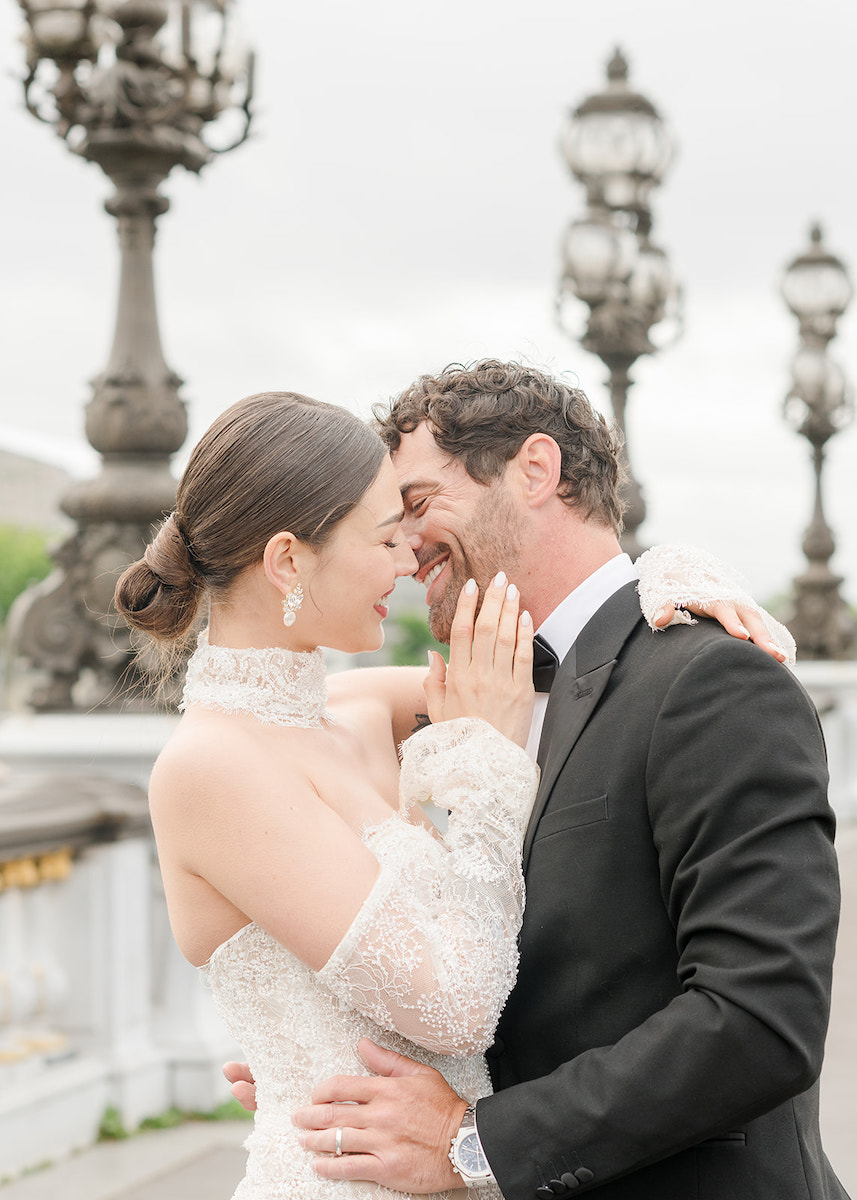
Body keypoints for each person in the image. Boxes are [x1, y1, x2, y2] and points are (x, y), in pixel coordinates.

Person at [263, 361, 848, 1200]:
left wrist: (473, 1146)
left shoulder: (710, 683)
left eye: (420, 503)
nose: (404, 547)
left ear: (536, 471)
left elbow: (760, 1019)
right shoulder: (464, 702)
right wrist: (328, 1050)